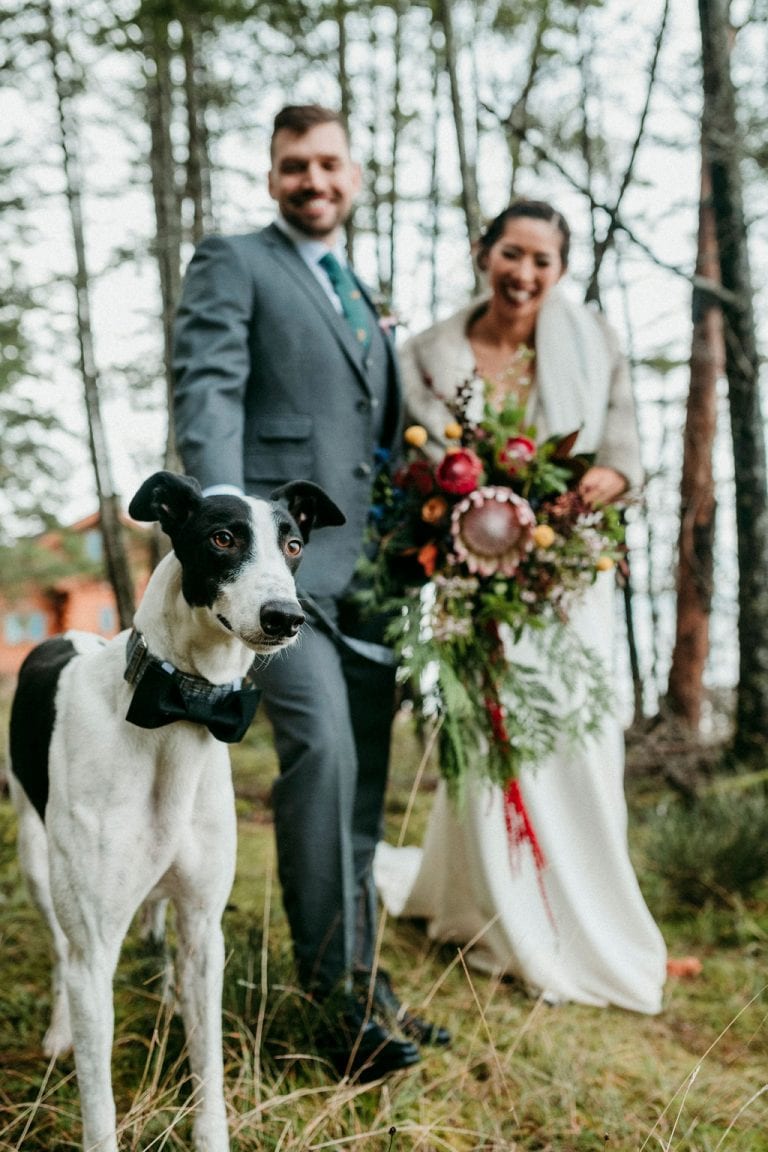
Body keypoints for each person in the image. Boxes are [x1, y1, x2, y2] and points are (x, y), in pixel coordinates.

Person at [172, 104, 449, 1080]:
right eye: (296, 165)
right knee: (323, 756)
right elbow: (208, 392)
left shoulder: (360, 296)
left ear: (355, 173)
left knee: (367, 778)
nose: (314, 180)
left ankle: (370, 982)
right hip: (278, 585)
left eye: (330, 162)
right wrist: (232, 543)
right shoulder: (234, 261)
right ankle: (334, 1010)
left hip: (370, 579)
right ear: (272, 174)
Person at [374, 199, 668, 1014]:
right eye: (512, 253)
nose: (525, 274)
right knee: (487, 742)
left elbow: (624, 451)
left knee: (576, 742)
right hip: (474, 587)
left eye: (543, 261)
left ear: (561, 270)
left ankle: (581, 912)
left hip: (569, 581)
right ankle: (492, 905)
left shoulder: (592, 338)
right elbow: (414, 465)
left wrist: (603, 480)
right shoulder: (427, 354)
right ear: (483, 251)